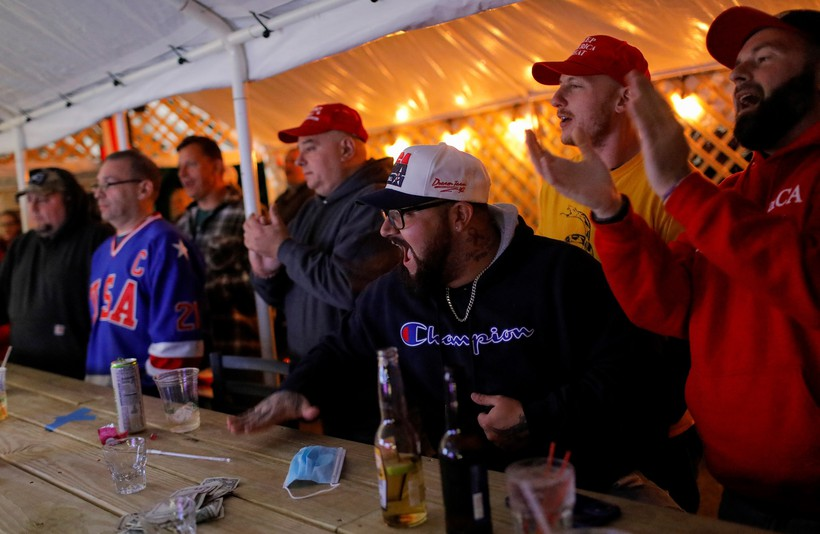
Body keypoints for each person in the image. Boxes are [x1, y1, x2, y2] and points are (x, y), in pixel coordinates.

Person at [230, 144, 678, 500]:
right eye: (386, 216)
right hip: (459, 487)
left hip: (585, 486)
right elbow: (344, 347)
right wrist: (295, 391)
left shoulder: (562, 274)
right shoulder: (395, 290)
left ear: (461, 216)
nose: (386, 231)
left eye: (400, 216)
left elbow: (632, 375)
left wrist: (535, 417)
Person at [525, 7, 820, 531]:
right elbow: (667, 307)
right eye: (736, 66)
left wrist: (680, 185)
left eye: (764, 57)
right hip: (743, 488)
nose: (739, 73)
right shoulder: (737, 191)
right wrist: (611, 214)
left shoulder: (718, 195)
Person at [530, 35, 699, 512]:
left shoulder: (668, 186)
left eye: (575, 86)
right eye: (558, 86)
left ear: (626, 97)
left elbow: (682, 320)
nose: (556, 99)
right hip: (576, 414)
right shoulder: (558, 183)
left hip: (651, 424)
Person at [245, 103, 398, 364]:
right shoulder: (311, 207)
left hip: (354, 377)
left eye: (310, 148)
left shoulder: (375, 201)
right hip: (310, 369)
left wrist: (283, 248)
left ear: (346, 149)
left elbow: (348, 287)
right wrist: (266, 272)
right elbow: (281, 297)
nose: (298, 160)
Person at [86, 149, 206, 389]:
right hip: (100, 388)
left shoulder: (164, 244)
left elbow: (178, 345)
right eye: (96, 185)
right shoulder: (101, 251)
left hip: (143, 398)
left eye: (108, 184)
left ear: (144, 189)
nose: (98, 194)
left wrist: (148, 395)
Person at [0, 168, 112, 379]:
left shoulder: (98, 239)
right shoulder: (22, 244)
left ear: (69, 199)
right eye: (30, 199)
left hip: (79, 377)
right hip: (24, 372)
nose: (33, 208)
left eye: (44, 199)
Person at [176, 136, 260, 357]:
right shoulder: (183, 223)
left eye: (191, 165)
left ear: (216, 166)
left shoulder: (249, 214)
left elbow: (263, 283)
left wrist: (194, 293)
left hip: (237, 347)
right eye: (179, 167)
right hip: (194, 351)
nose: (182, 174)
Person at [274, 147, 314, 224]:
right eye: (286, 161)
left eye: (293, 162)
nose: (287, 166)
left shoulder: (311, 196)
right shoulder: (282, 198)